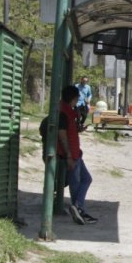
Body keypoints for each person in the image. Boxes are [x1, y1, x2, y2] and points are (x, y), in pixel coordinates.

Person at [57, 84, 96, 225]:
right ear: (72, 98)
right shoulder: (63, 113)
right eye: (76, 98)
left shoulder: (69, 112)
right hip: (71, 155)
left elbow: (69, 132)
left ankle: (78, 208)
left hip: (75, 153)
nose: (77, 100)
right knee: (77, 183)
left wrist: (78, 128)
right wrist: (68, 155)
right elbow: (62, 135)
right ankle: (79, 209)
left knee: (85, 179)